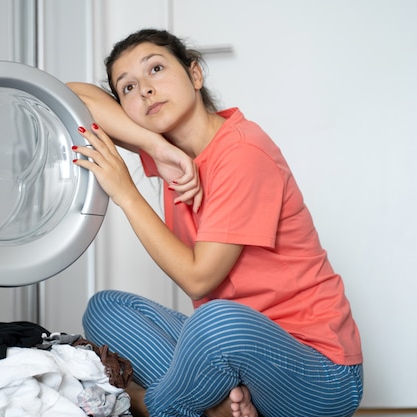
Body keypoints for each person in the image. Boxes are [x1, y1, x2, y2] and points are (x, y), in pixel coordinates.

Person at [68, 29, 363, 417]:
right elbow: (72, 95)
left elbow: (199, 279)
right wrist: (155, 145)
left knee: (216, 320)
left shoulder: (242, 151)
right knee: (105, 309)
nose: (145, 90)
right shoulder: (172, 156)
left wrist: (127, 193)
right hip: (237, 356)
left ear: (195, 75)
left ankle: (148, 407)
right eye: (127, 88)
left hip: (320, 376)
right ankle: (219, 406)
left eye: (156, 69)